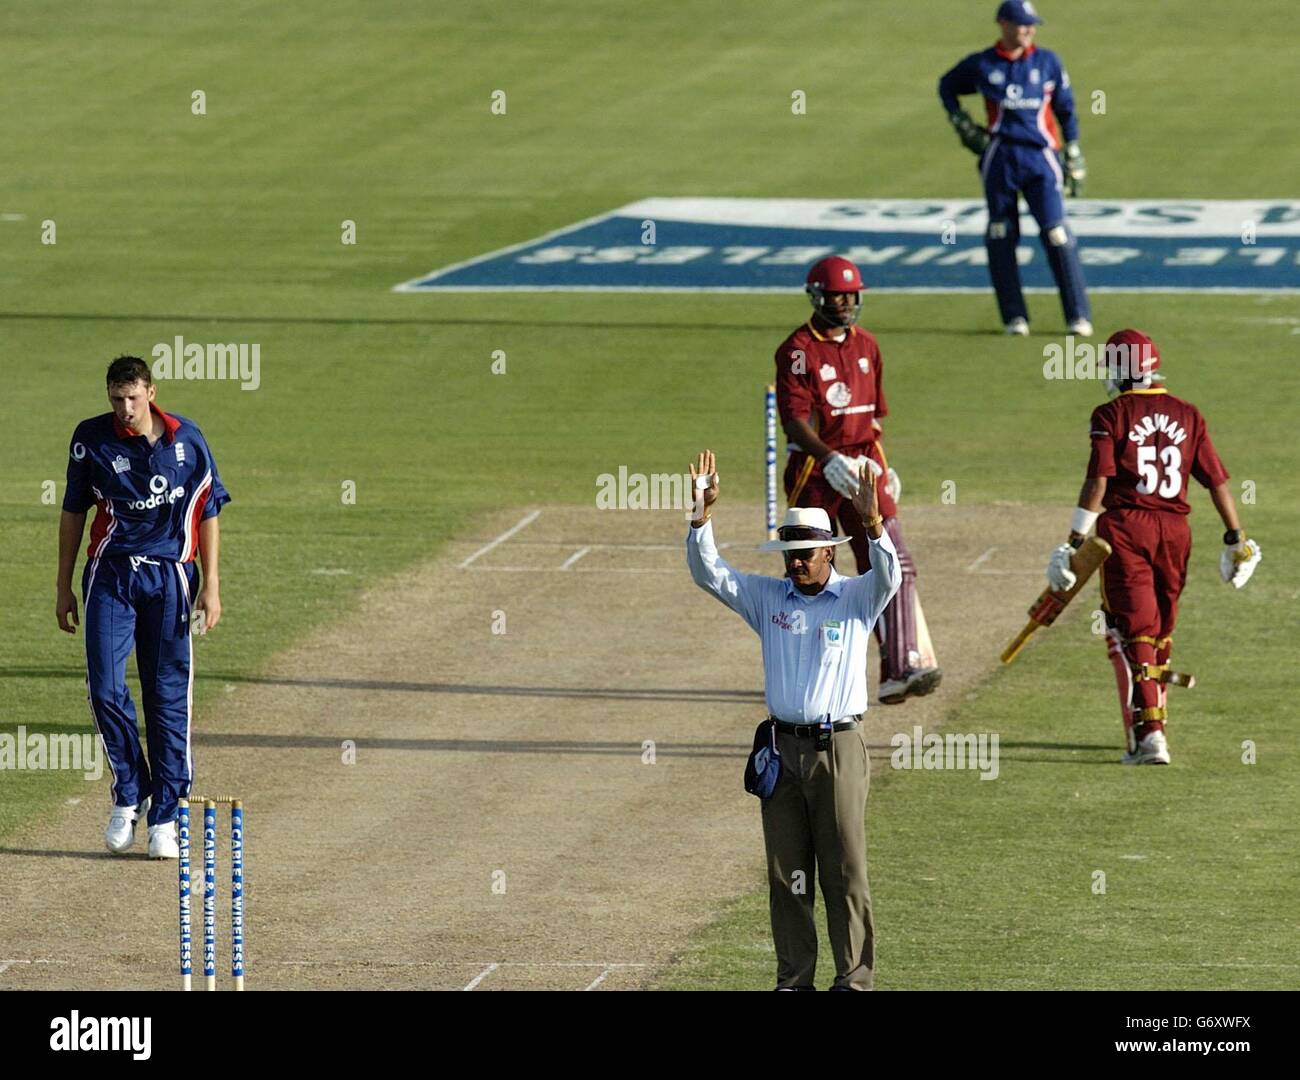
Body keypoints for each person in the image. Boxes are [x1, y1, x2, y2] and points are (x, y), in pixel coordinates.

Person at [686, 448, 901, 990]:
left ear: (829, 552)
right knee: (787, 877)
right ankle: (793, 981)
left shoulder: (855, 597)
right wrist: (701, 518)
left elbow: (891, 576)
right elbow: (710, 575)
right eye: (789, 552)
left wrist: (874, 524)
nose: (796, 561)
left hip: (839, 750)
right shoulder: (768, 598)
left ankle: (853, 980)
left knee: (845, 871)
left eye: (805, 552)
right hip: (781, 752)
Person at [1042, 330, 1260, 765]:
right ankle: (1153, 724)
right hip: (1176, 530)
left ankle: (1150, 735)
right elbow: (1215, 480)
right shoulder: (1188, 413)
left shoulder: (1110, 413)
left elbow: (1098, 481)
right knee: (1159, 630)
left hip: (1127, 528)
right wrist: (1237, 538)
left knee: (1135, 629)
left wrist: (1073, 541)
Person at [56, 356, 231, 856]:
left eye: (133, 398)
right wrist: (63, 586)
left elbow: (209, 511)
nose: (125, 409)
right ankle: (130, 793)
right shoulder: (92, 439)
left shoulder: (187, 440)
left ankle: (166, 817)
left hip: (172, 578)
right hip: (110, 575)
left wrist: (211, 585)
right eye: (116, 399)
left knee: (166, 696)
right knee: (105, 688)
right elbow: (72, 512)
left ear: (151, 392)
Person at [774, 255, 941, 704]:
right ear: (816, 297)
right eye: (836, 296)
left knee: (894, 564)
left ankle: (899, 666)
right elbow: (793, 420)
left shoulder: (868, 345)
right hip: (814, 470)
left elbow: (873, 418)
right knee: (810, 577)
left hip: (865, 463)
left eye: (851, 295)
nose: (845, 303)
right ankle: (802, 671)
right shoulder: (797, 351)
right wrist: (827, 459)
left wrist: (885, 469)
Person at [938, 0, 1092, 337]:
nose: (1028, 30)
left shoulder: (1047, 63)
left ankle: (1078, 316)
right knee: (1001, 233)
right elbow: (947, 85)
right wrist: (961, 122)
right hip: (1001, 157)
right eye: (1022, 24)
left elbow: (1066, 110)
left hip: (1041, 156)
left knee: (1057, 233)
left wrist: (1074, 151)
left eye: (1031, 24)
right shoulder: (983, 64)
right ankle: (1014, 318)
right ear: (1003, 24)